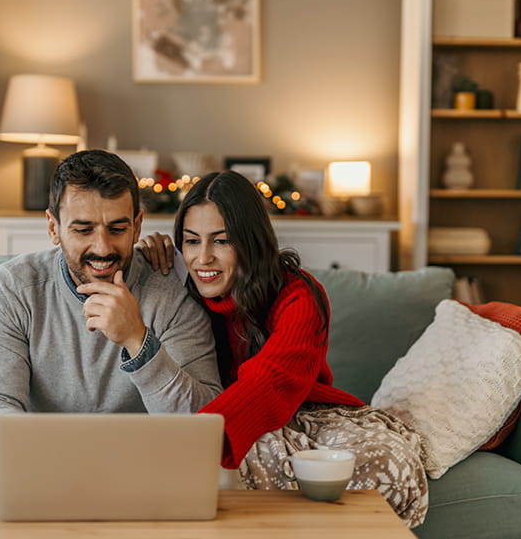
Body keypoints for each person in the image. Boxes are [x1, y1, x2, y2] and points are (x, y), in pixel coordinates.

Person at [139, 170, 428, 527]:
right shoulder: (179, 288)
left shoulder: (299, 295)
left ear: (251, 241)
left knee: (388, 461)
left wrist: (199, 441)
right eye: (191, 241)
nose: (203, 258)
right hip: (221, 421)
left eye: (222, 241)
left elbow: (271, 380)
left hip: (291, 413)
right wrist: (148, 261)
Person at [0, 150, 223, 454]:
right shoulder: (14, 287)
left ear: (137, 225)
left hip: (144, 462)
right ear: (53, 227)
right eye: (83, 229)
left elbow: (205, 422)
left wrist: (138, 342)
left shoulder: (172, 289)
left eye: (117, 229)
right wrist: (49, 455)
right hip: (42, 460)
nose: (102, 248)